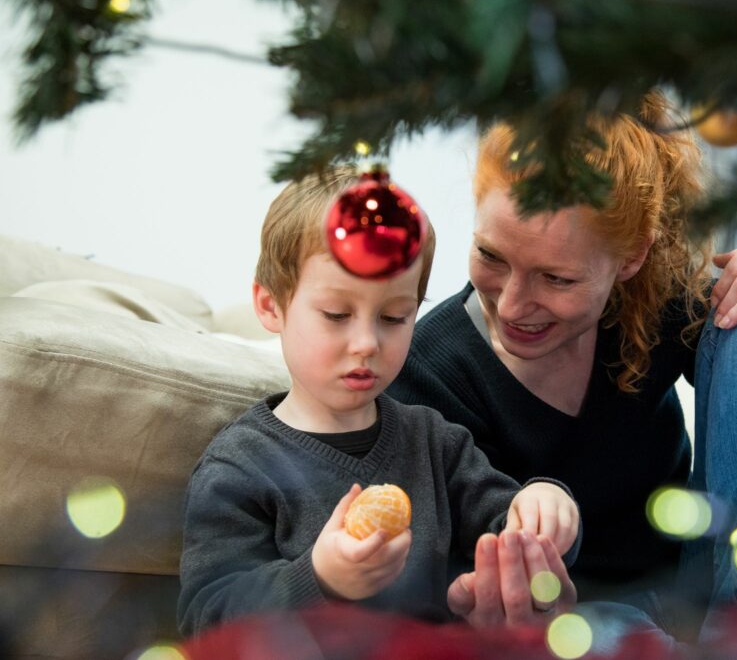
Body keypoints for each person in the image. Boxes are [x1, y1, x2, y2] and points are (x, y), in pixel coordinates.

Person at [387, 91, 737, 638]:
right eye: (491, 256)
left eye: (557, 278)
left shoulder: (655, 302)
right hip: (582, 625)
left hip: (717, 583)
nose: (510, 305)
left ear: (631, 259)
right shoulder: (426, 370)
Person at [177, 168, 581, 636]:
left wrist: (547, 508)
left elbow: (508, 524)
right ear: (271, 306)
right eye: (337, 314)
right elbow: (205, 620)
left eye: (394, 316)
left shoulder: (434, 441)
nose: (367, 342)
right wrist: (320, 578)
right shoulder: (241, 464)